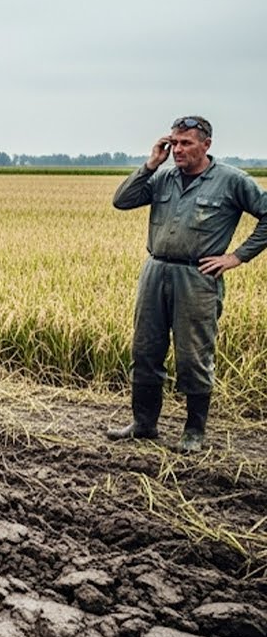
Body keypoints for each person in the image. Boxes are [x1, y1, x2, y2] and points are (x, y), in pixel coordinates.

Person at [109, 116, 267, 452]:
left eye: (185, 144)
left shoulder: (231, 181)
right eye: (174, 143)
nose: (177, 150)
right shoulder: (163, 177)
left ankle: (193, 432)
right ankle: (143, 424)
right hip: (155, 272)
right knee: (145, 349)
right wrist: (152, 163)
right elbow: (122, 200)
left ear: (206, 145)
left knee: (193, 355)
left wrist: (237, 256)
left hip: (197, 277)